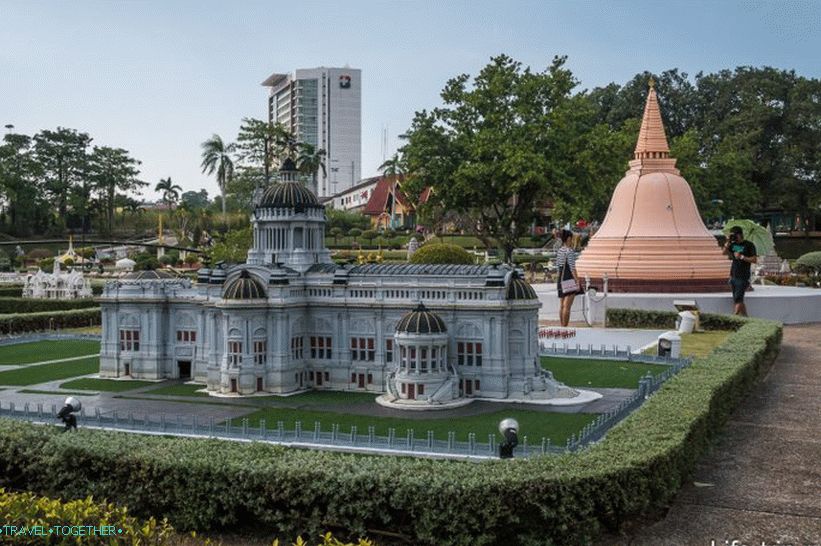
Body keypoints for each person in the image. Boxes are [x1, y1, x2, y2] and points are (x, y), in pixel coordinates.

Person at [723, 226, 757, 316]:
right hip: (733, 275)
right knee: (738, 299)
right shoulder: (733, 245)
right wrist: (727, 244)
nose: (734, 237)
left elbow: (754, 259)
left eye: (735, 235)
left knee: (738, 299)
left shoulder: (749, 245)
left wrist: (742, 257)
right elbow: (724, 253)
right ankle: (746, 318)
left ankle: (734, 318)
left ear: (740, 235)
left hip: (743, 276)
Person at [556, 229, 580, 327]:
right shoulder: (569, 251)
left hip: (560, 279)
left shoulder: (560, 250)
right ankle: (565, 327)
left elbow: (558, 266)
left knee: (562, 305)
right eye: (572, 238)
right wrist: (577, 281)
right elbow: (572, 268)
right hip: (568, 278)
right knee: (567, 306)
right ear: (569, 238)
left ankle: (562, 326)